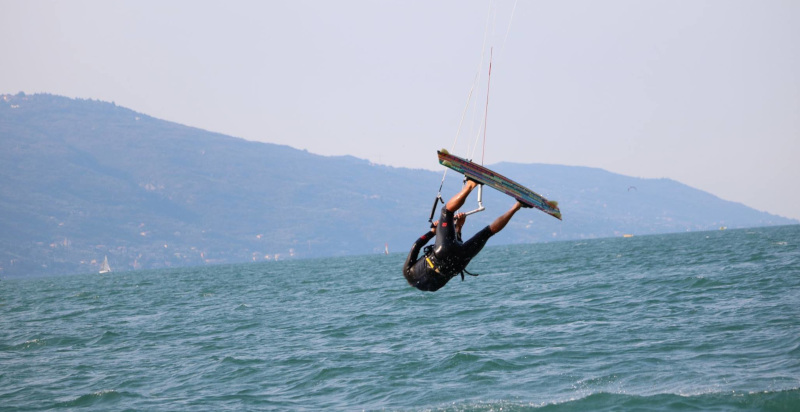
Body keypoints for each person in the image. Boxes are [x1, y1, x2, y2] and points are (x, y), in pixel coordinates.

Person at [403, 179, 527, 291]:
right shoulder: (407, 273)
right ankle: (471, 184)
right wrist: (432, 232)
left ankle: (518, 205)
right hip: (441, 254)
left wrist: (459, 227)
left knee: (487, 233)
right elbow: (416, 245)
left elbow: (455, 251)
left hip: (458, 264)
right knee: (446, 211)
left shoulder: (431, 288)